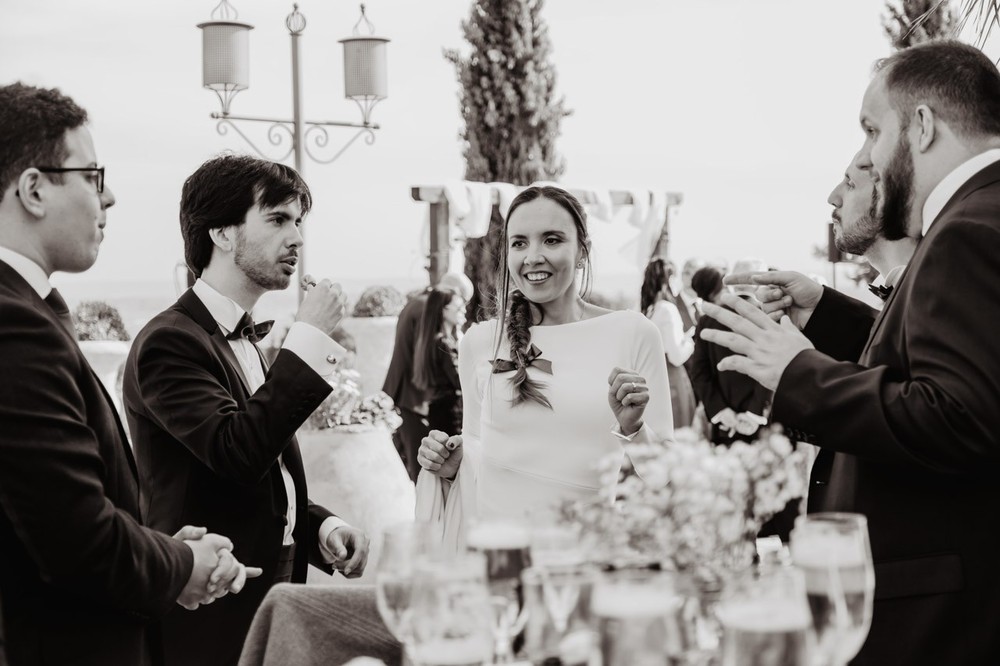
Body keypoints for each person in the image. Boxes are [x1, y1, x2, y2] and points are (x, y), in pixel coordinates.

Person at [702, 41, 1000, 664]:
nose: (866, 156)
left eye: (872, 131)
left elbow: (962, 416)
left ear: (920, 127)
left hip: (940, 619)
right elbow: (937, 361)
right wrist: (825, 316)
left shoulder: (969, 228)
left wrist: (796, 374)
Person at [0, 83, 257, 666]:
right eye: (92, 176)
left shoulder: (27, 310)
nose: (109, 196)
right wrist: (184, 565)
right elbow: (79, 541)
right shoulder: (13, 323)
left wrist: (162, 549)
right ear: (34, 189)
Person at [123, 154, 372, 666]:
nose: (297, 238)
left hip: (272, 584)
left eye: (299, 221)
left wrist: (318, 527)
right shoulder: (169, 342)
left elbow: (263, 472)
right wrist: (308, 339)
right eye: (278, 219)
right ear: (222, 233)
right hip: (208, 607)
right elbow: (237, 453)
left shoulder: (244, 340)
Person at [415, 185, 673, 548]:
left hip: (582, 560)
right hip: (498, 560)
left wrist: (633, 427)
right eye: (519, 243)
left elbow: (664, 477)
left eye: (552, 240)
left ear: (582, 250)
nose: (533, 256)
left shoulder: (633, 334)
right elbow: (475, 446)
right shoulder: (480, 341)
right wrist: (450, 462)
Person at [382, 272, 473, 482]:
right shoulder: (426, 309)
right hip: (414, 398)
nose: (462, 307)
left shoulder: (417, 303)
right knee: (424, 474)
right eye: (460, 302)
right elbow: (430, 358)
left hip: (408, 394)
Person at [688, 266, 771, 445]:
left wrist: (721, 410)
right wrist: (754, 413)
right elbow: (776, 370)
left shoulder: (707, 320)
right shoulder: (770, 318)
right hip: (767, 428)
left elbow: (699, 372)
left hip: (725, 428)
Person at [828, 152, 918, 299]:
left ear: (888, 200)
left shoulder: (936, 291)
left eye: (850, 184)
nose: (833, 198)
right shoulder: (907, 290)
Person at [640, 257, 696, 427]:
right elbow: (676, 356)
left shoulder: (649, 310)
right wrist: (690, 340)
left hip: (652, 378)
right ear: (669, 279)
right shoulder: (667, 309)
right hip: (671, 378)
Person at [412, 288, 465, 435]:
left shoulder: (431, 341)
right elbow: (460, 380)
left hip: (437, 410)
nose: (464, 311)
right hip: (450, 413)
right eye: (459, 308)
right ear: (443, 310)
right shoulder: (444, 344)